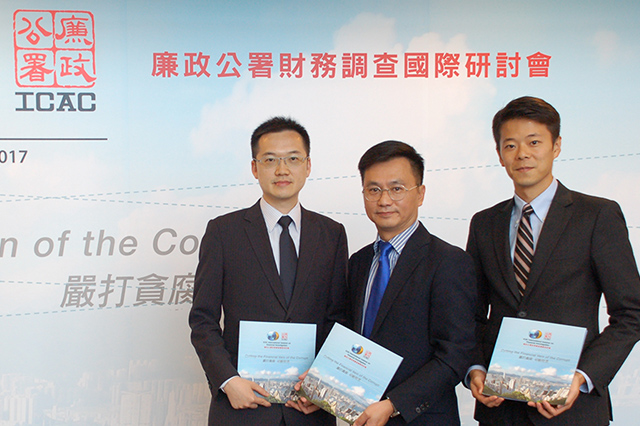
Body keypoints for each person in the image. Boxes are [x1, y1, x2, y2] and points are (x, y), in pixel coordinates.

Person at [466, 96, 640, 425]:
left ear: (556, 146)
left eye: (534, 142)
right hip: (501, 410)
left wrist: (582, 378)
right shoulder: (484, 223)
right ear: (500, 154)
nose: (523, 154)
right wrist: (475, 368)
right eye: (511, 145)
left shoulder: (597, 215)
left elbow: (632, 313)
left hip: (575, 410)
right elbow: (471, 314)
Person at [189, 116, 348, 425]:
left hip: (309, 411)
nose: (282, 169)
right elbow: (202, 319)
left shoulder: (331, 234)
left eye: (292, 159)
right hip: (242, 408)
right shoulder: (224, 232)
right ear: (254, 168)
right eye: (270, 160)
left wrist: (324, 388)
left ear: (308, 165)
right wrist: (228, 381)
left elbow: (338, 319)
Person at [348, 141, 477, 425]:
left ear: (420, 194)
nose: (384, 200)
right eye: (373, 189)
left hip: (421, 418)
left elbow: (456, 354)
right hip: (359, 417)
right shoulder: (357, 263)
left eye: (397, 189)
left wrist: (393, 404)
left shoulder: (448, 261)